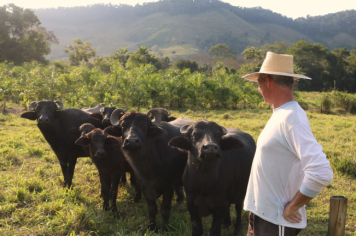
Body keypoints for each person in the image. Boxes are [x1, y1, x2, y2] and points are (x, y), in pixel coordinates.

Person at [242, 52, 333, 236]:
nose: (258, 89)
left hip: (276, 223)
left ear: (267, 80)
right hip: (262, 214)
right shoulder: (281, 113)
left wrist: (292, 207)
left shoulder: (292, 118)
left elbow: (321, 171)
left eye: (258, 83)